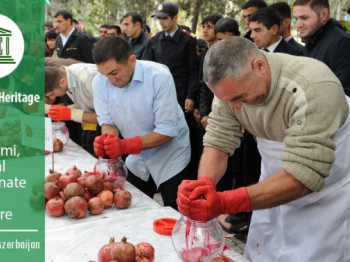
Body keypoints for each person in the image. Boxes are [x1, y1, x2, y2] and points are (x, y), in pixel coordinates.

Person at [176, 36, 350, 261]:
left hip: (325, 193)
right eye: (229, 101)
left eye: (240, 97)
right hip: (270, 183)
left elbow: (305, 175)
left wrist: (225, 202)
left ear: (259, 66)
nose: (237, 107)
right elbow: (218, 141)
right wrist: (204, 186)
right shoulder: (231, 90)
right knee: (264, 250)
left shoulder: (315, 86)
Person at [92, 36, 191, 210]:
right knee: (132, 207)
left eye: (114, 73)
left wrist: (124, 146)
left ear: (131, 60)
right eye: (104, 74)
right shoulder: (100, 82)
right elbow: (108, 122)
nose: (109, 80)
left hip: (170, 155)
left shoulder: (159, 76)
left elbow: (166, 131)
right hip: (136, 156)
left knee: (174, 212)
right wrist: (107, 141)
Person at [142, 1, 199, 179]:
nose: (161, 22)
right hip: (158, 98)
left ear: (175, 18)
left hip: (180, 97)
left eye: (164, 18)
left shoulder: (188, 40)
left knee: (181, 136)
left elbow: (193, 71)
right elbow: (147, 70)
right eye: (158, 19)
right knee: (159, 133)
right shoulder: (155, 41)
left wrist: (190, 96)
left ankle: (184, 175)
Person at [292, 0, 350, 96]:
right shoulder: (313, 39)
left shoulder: (341, 42)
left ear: (324, 15)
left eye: (304, 18)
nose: (298, 25)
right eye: (295, 19)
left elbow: (345, 94)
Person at [45, 64, 100, 155]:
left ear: (61, 82)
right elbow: (87, 104)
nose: (53, 97)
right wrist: (63, 110)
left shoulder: (89, 80)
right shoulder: (67, 77)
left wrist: (71, 114)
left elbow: (107, 118)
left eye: (53, 93)